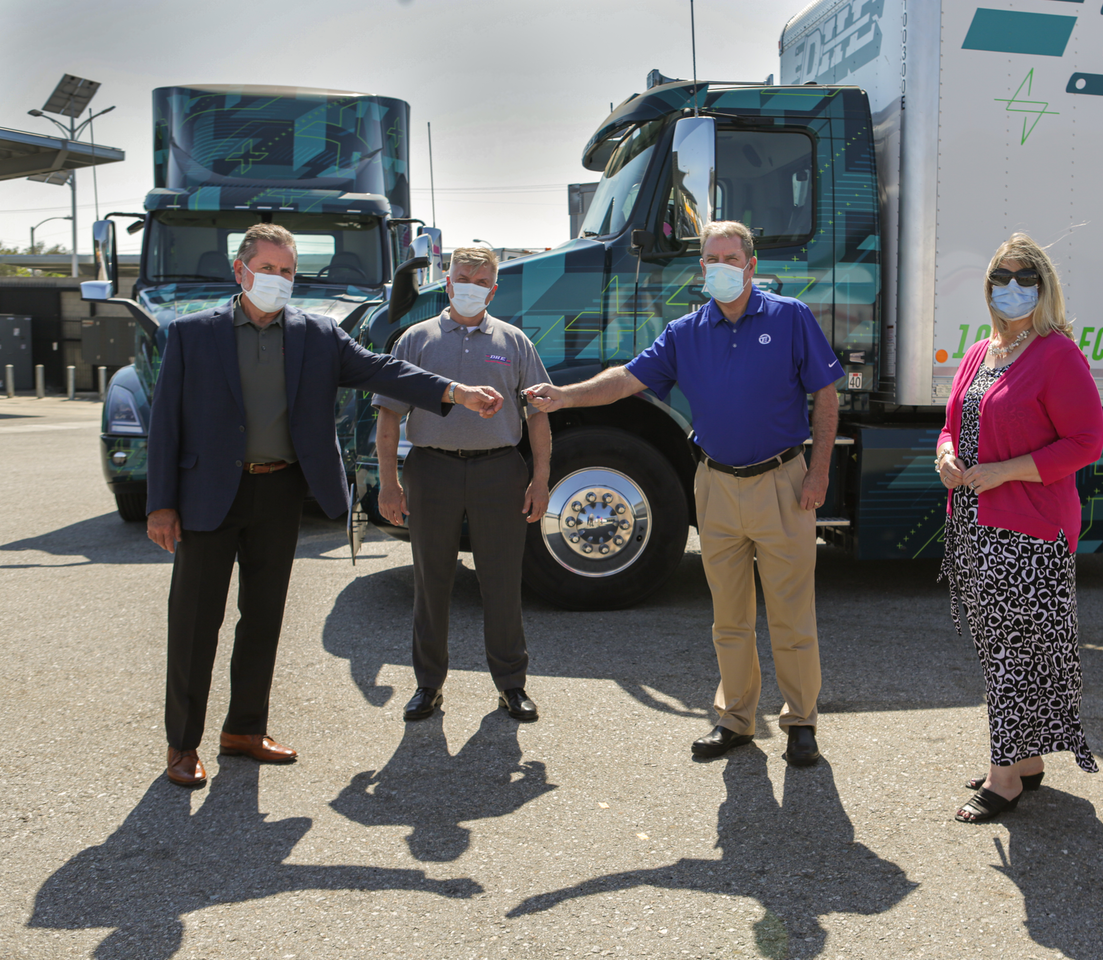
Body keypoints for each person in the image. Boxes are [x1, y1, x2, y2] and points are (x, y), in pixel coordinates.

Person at [147, 223, 504, 788]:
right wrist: (160, 504)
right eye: (268, 270)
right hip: (207, 495)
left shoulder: (317, 334)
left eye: (288, 272)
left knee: (262, 618)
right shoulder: (194, 334)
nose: (279, 281)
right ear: (240, 271)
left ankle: (243, 729)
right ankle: (183, 743)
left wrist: (454, 392)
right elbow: (165, 423)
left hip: (278, 491)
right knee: (195, 623)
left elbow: (384, 370)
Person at [526, 220, 842, 765]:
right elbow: (625, 380)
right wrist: (562, 397)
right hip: (715, 484)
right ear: (702, 268)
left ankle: (801, 723)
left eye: (729, 257)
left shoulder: (791, 318)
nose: (718, 267)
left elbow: (827, 395)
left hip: (782, 482)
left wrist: (818, 473)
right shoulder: (685, 331)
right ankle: (737, 720)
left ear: (751, 266)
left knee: (791, 613)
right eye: (709, 258)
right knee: (729, 617)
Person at [936, 233, 1103, 824]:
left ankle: (1003, 777)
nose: (1010, 289)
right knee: (1002, 647)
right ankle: (1027, 760)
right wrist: (946, 455)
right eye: (999, 279)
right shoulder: (982, 353)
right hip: (976, 524)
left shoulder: (1057, 354)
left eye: (1023, 279)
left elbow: (1086, 441)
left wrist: (1003, 472)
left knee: (1014, 650)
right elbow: (952, 423)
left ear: (1044, 288)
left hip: (1030, 529)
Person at [374, 246, 553, 724]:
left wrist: (539, 479)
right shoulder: (416, 339)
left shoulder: (515, 342)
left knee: (501, 581)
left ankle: (512, 686)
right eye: (462, 276)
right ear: (447, 281)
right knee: (432, 581)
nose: (470, 284)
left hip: (500, 471)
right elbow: (389, 416)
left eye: (481, 279)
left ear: (494, 288)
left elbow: (538, 416)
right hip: (432, 471)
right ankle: (429, 686)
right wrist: (389, 483)